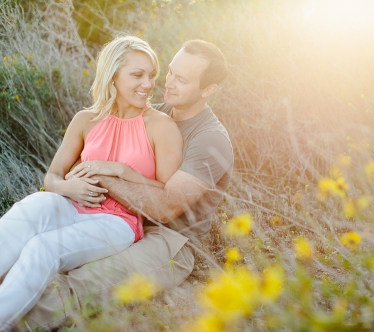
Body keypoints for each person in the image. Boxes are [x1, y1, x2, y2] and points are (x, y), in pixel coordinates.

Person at [14, 40, 234, 331]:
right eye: (169, 72)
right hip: (118, 219)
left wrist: (103, 175)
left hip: (168, 240)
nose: (167, 84)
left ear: (208, 90)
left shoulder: (210, 139)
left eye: (181, 80)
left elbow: (165, 208)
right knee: (26, 245)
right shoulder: (149, 114)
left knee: (82, 282)